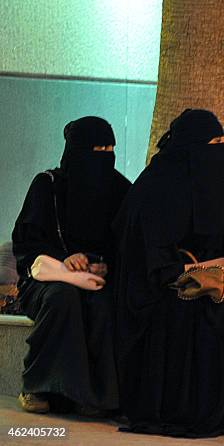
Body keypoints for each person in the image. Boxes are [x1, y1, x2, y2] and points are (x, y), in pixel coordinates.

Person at [113, 109, 224, 438]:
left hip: (191, 287)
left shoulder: (201, 188)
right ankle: (201, 411)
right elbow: (156, 270)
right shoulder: (154, 192)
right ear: (191, 147)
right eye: (213, 143)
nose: (220, 150)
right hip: (152, 301)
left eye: (222, 142)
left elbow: (212, 249)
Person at [12, 116, 131, 415]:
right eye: (96, 149)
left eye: (109, 149)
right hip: (45, 280)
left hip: (97, 281)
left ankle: (93, 396)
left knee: (104, 304)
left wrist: (104, 265)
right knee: (61, 299)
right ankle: (36, 386)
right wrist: (64, 260)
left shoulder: (118, 189)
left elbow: (126, 242)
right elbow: (27, 245)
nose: (104, 156)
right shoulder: (48, 186)